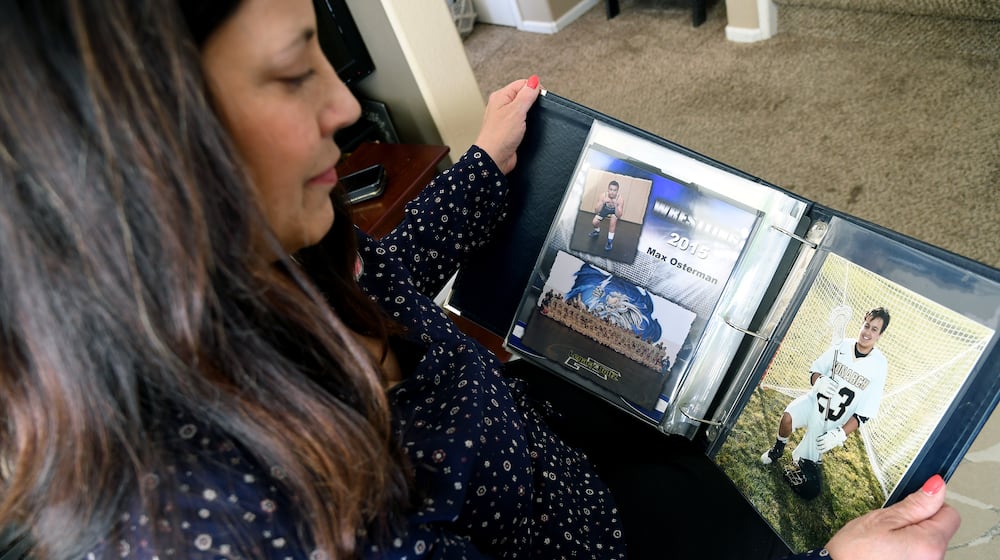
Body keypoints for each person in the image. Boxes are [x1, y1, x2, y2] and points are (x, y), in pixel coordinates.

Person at [0, 1, 958, 559]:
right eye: (295, 73)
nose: (344, 104)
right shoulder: (235, 521)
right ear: (134, 157)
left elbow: (395, 275)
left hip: (571, 473)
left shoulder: (274, 252)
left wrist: (481, 169)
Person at [761, 307, 891, 499]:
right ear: (862, 324)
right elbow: (814, 371)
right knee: (788, 416)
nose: (867, 332)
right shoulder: (842, 346)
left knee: (807, 471)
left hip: (831, 421)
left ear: (880, 335)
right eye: (866, 326)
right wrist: (819, 381)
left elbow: (865, 412)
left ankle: (810, 458)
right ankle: (778, 449)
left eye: (874, 329)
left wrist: (840, 433)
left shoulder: (879, 365)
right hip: (815, 402)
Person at [588, 179, 624, 250]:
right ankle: (596, 231)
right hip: (604, 209)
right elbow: (596, 211)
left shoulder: (620, 199)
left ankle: (609, 241)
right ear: (608, 189)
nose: (612, 192)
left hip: (614, 211)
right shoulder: (603, 196)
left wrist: (616, 206)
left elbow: (619, 216)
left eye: (615, 190)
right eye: (611, 189)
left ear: (617, 191)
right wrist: (602, 202)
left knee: (613, 222)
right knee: (594, 222)